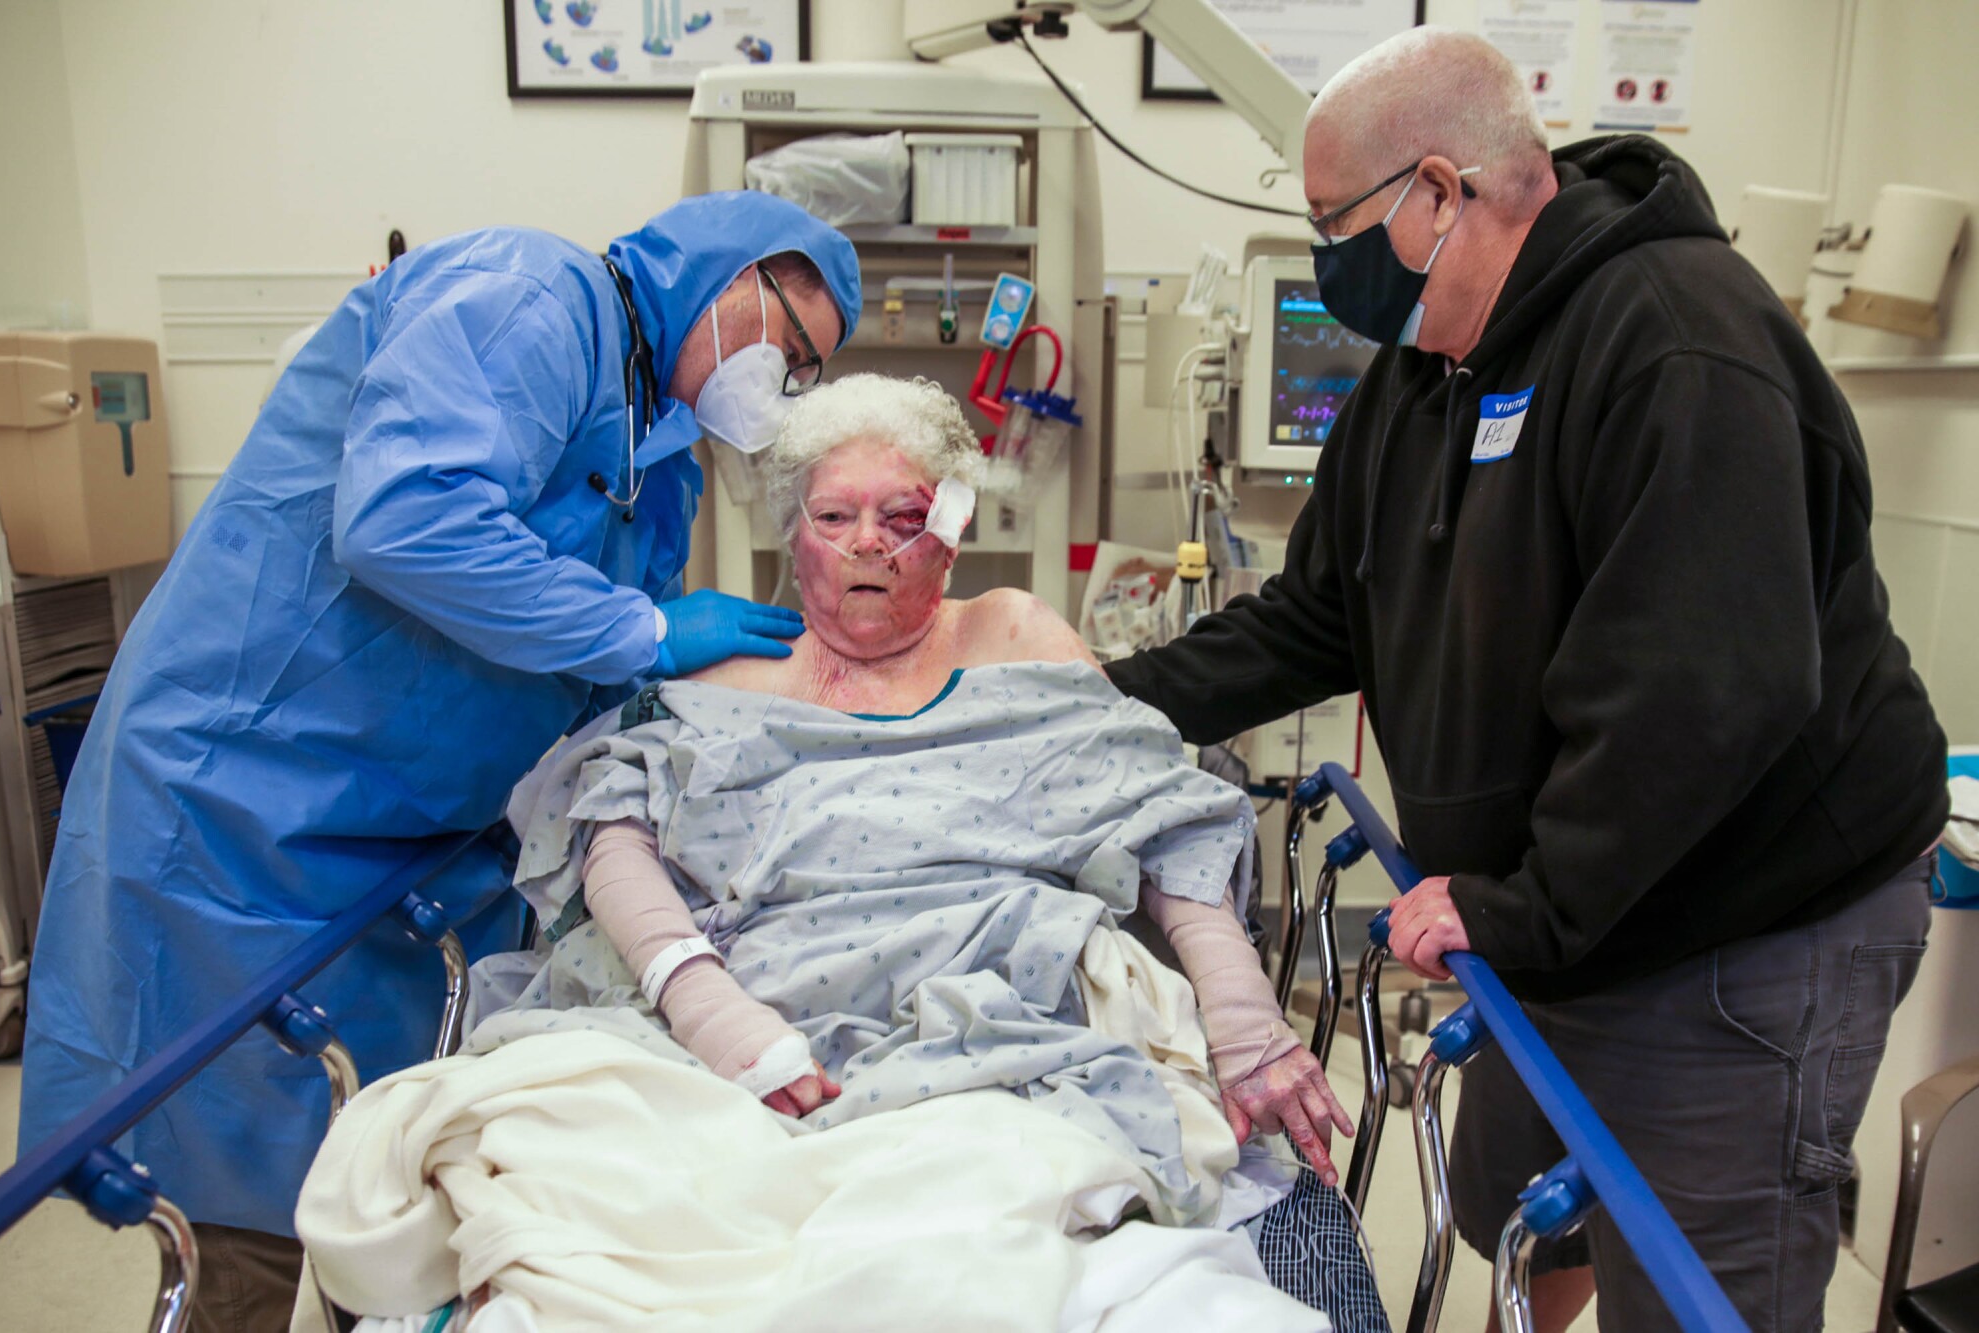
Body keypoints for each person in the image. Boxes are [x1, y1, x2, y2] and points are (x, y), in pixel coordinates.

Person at [1107, 27, 1946, 1333]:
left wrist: (1521, 906)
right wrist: (1094, 704)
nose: (1327, 258)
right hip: (1564, 916)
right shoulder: (1427, 375)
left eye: (1337, 222)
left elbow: (1707, 693)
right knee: (1518, 1226)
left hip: (1743, 925)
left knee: (1691, 1286)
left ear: (1444, 191)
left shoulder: (1676, 343)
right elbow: (1316, 617)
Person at [17, 191, 861, 1332]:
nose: (785, 382)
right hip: (251, 803)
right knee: (249, 1205)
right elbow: (407, 520)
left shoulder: (656, 452)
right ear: (727, 274)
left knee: (381, 1180)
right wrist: (652, 633)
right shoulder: (530, 298)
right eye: (789, 347)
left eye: (807, 373)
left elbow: (608, 664)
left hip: (417, 831)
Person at [456, 372, 1383, 1323]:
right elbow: (612, 835)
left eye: (901, 516)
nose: (867, 542)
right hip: (754, 1020)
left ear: (951, 527)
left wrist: (1241, 1019)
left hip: (999, 1010)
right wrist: (712, 1014)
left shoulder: (1012, 637)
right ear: (794, 530)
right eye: (834, 515)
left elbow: (1154, 814)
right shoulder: (733, 671)